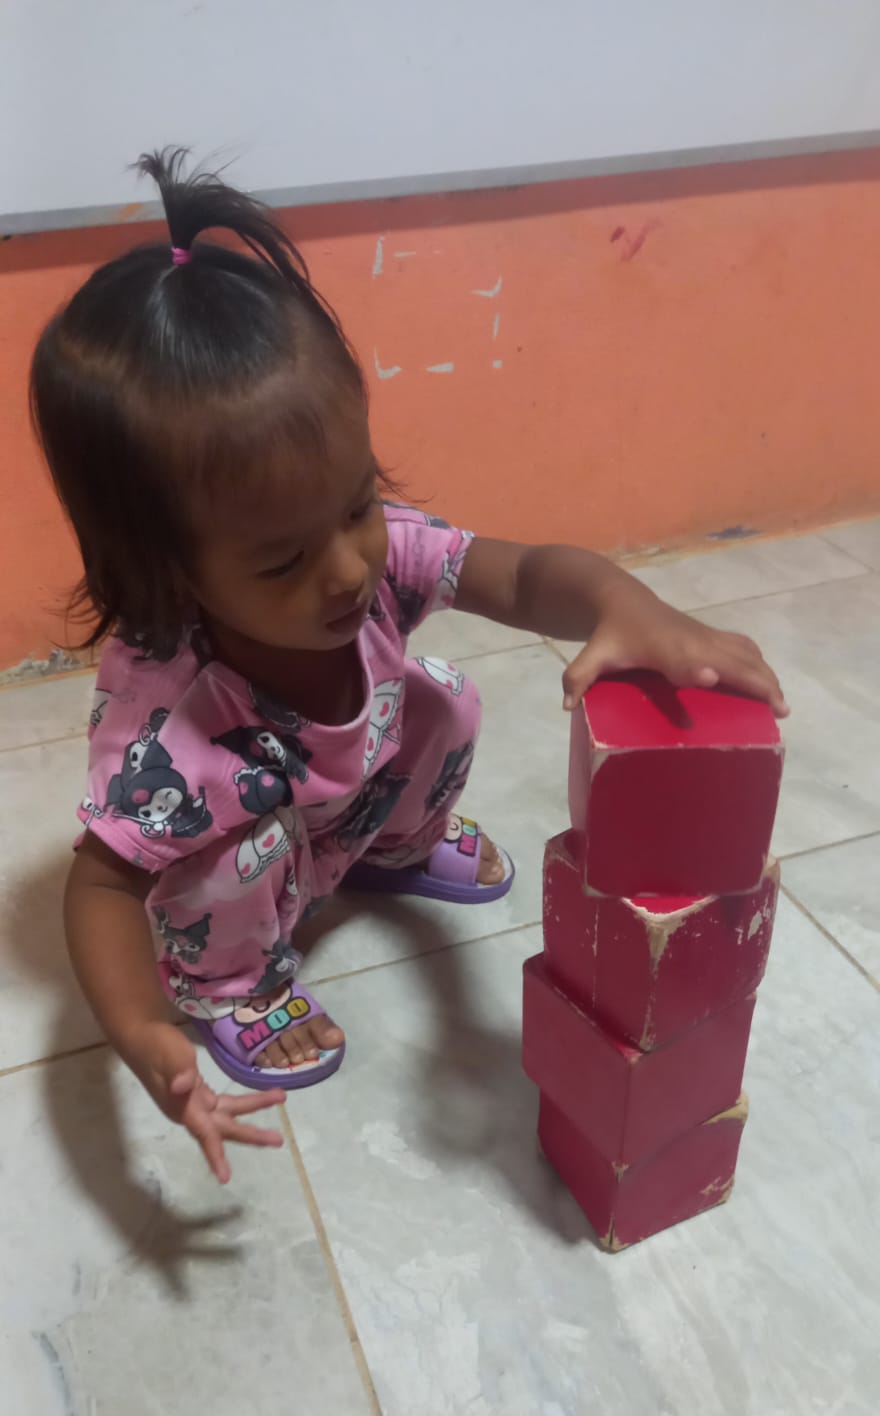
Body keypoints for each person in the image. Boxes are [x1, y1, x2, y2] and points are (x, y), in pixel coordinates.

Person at [31, 150, 788, 1185]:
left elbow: (518, 574)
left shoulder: (372, 560)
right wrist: (142, 1031)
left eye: (356, 504)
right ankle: (233, 988)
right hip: (249, 858)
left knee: (441, 697)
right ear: (171, 576)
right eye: (284, 560)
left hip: (336, 809)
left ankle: (394, 844)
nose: (349, 568)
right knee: (235, 858)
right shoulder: (172, 730)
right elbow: (101, 888)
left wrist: (624, 603)